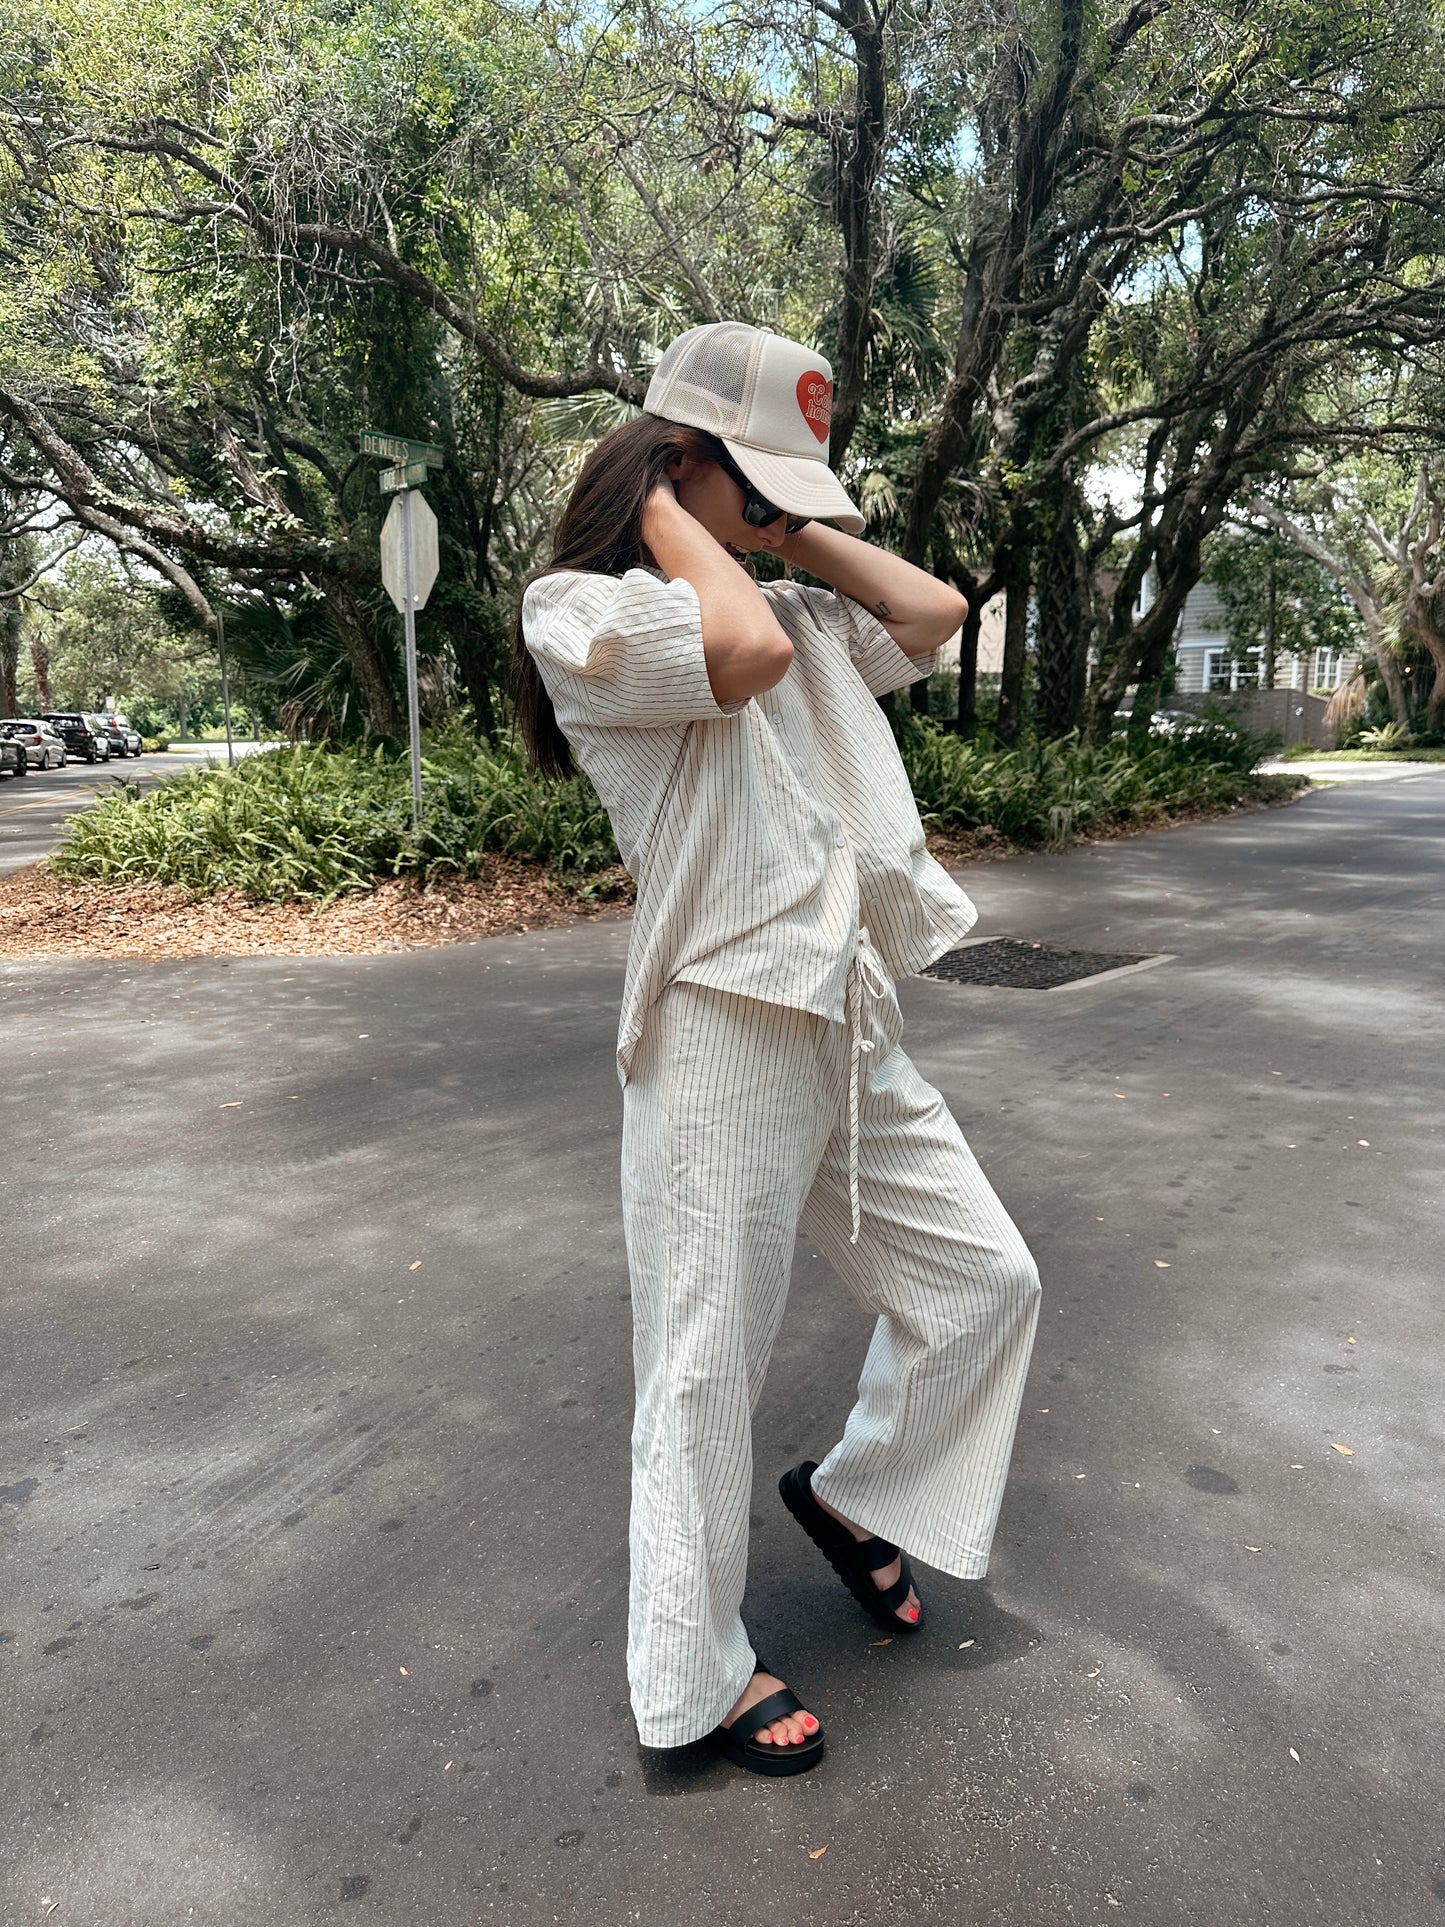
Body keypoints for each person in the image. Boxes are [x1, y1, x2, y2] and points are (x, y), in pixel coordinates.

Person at [513, 321, 1041, 1777]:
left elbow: (933, 612)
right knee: (700, 1367)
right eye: (759, 484)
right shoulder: (582, 612)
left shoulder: (792, 606)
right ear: (679, 464)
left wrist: (796, 524)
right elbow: (731, 650)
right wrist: (669, 511)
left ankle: (860, 1497)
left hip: (844, 1006)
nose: (784, 517)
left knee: (986, 1280)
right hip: (720, 1029)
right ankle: (692, 1678)